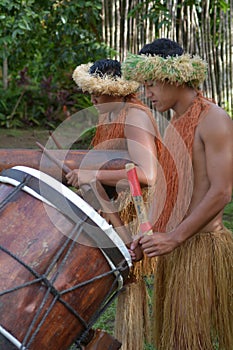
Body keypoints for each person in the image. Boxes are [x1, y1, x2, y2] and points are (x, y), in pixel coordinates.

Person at [123, 38, 233, 350]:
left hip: (200, 247)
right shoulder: (176, 122)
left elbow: (222, 191)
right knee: (174, 340)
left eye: (152, 84)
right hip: (175, 246)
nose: (148, 94)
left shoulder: (214, 119)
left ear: (173, 77)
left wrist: (175, 237)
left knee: (188, 341)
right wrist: (151, 235)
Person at [66, 59, 162, 350]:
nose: (92, 98)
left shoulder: (135, 116)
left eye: (99, 91)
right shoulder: (110, 114)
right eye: (90, 91)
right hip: (119, 205)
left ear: (118, 91)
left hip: (140, 210)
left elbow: (147, 174)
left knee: (129, 279)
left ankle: (131, 341)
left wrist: (91, 174)